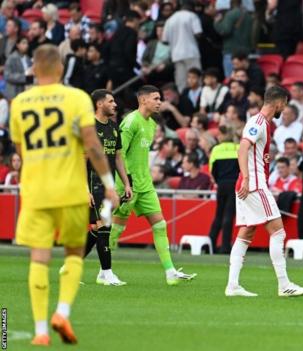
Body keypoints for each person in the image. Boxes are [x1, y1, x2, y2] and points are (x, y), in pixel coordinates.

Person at [10, 44, 120, 346]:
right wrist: (109, 184)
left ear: (34, 68)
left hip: (36, 191)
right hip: (71, 190)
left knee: (39, 258)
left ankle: (41, 330)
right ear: (60, 68)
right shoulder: (75, 98)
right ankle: (62, 311)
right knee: (74, 253)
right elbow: (92, 146)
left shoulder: (19, 103)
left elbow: (19, 153)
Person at [226, 85, 303, 297]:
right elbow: (243, 148)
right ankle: (284, 285)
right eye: (285, 104)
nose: (284, 108)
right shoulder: (258, 122)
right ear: (279, 102)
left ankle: (233, 285)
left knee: (246, 232)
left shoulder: (262, 123)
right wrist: (247, 177)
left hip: (248, 183)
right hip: (253, 183)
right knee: (278, 231)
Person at [109, 85, 197, 285]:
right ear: (143, 100)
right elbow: (118, 153)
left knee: (160, 224)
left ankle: (170, 272)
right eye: (156, 98)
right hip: (127, 184)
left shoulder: (152, 125)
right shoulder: (130, 122)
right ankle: (103, 270)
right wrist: (125, 182)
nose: (160, 102)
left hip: (145, 183)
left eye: (160, 99)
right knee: (115, 229)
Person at [80, 90, 132, 287]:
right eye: (111, 101)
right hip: (92, 183)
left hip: (107, 185)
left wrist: (126, 183)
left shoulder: (113, 127)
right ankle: (106, 273)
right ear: (99, 104)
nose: (115, 104)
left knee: (97, 230)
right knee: (104, 227)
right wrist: (85, 190)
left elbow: (118, 157)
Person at [208, 125, 240, 254]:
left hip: (221, 184)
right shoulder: (238, 148)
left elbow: (212, 169)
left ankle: (210, 243)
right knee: (229, 215)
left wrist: (218, 180)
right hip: (234, 184)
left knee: (218, 215)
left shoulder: (216, 149)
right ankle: (225, 246)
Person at [162, 0, 203, 93]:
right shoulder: (192, 16)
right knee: (196, 80)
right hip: (191, 52)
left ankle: (183, 102)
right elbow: (198, 34)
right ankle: (197, 101)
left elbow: (164, 41)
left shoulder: (170, 19)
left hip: (176, 55)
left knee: (181, 83)